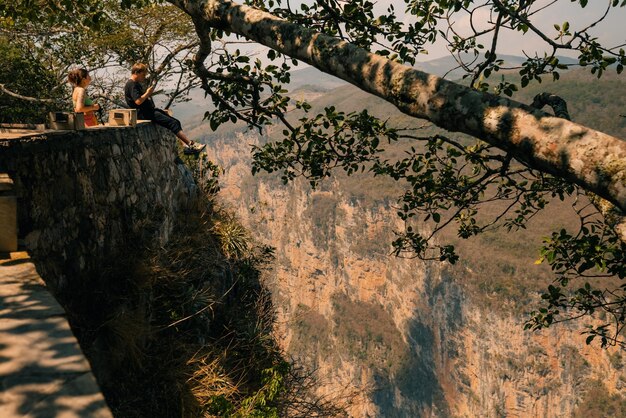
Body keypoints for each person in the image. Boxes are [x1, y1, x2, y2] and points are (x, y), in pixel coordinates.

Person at [124, 63, 205, 154]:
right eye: (143, 75)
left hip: (147, 111)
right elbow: (138, 101)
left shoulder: (134, 83)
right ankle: (191, 145)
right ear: (136, 72)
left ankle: (186, 146)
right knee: (172, 123)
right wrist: (147, 93)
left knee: (175, 121)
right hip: (143, 113)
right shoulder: (132, 84)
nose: (144, 77)